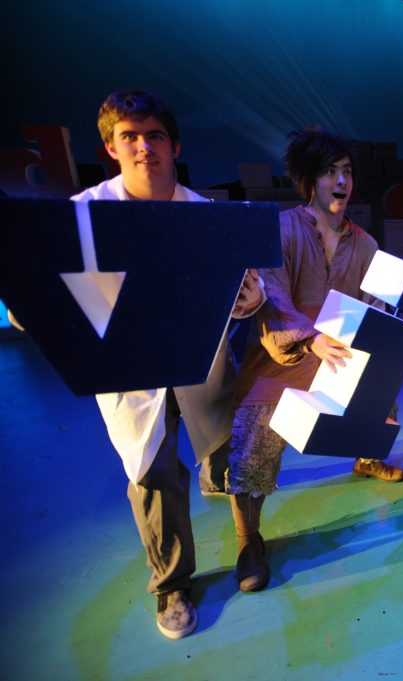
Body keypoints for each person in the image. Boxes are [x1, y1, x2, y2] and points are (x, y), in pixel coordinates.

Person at [70, 90, 265, 638]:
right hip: (132, 369)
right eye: (128, 137)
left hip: (201, 360)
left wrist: (250, 299)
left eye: (153, 135)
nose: (143, 147)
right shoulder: (85, 216)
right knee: (152, 472)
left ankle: (250, 538)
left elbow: (251, 286)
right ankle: (173, 582)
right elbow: (55, 289)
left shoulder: (207, 217)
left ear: (174, 144)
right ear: (110, 147)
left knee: (229, 451)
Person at [226, 127, 403, 593]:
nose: (341, 181)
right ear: (310, 180)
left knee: (382, 381)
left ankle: (366, 457)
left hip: (337, 351)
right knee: (255, 440)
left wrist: (400, 337)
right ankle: (249, 540)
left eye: (347, 172)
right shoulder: (281, 230)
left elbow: (375, 306)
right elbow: (273, 300)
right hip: (281, 356)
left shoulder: (364, 243)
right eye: (330, 172)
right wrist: (309, 340)